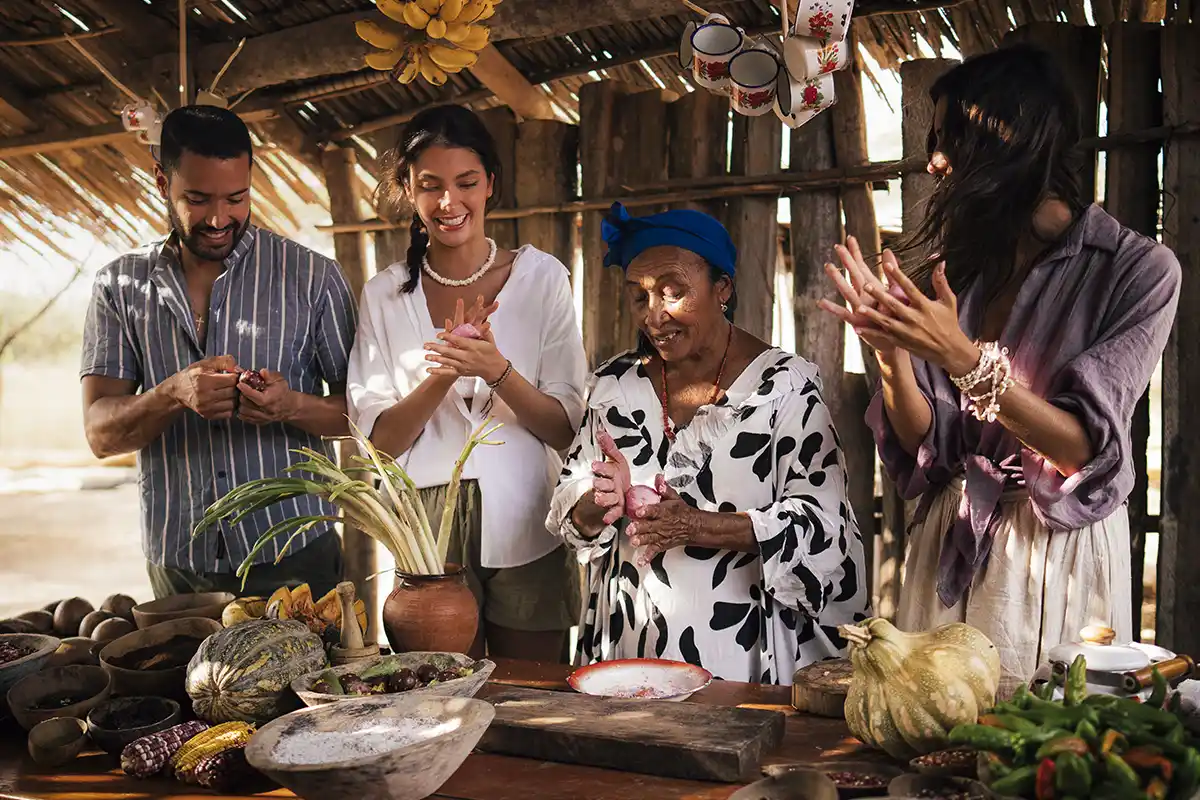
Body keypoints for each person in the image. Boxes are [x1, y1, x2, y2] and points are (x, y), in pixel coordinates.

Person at [819, 44, 1181, 696]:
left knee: (1039, 739)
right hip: (952, 537)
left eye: (949, 139)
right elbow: (927, 448)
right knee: (933, 733)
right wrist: (891, 355)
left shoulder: (1137, 270)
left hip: (1053, 550)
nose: (934, 162)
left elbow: (1080, 449)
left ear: (1010, 135)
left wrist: (962, 358)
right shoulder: (965, 272)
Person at [548, 202, 869, 684]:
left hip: (744, 658)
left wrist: (697, 525)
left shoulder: (782, 389)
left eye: (673, 292)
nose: (654, 315)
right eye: (639, 296)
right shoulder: (615, 385)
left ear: (723, 288)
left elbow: (825, 530)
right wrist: (599, 500)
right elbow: (571, 512)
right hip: (632, 651)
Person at [80, 105, 356, 600]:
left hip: (296, 551)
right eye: (198, 199)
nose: (218, 218)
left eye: (236, 198)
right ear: (162, 181)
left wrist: (290, 406)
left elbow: (364, 416)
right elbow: (100, 436)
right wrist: (171, 393)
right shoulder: (119, 286)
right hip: (180, 563)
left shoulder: (313, 277)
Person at [346, 104, 587, 662]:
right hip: (425, 529)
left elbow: (565, 428)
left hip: (531, 514)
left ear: (490, 184)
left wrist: (496, 370)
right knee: (441, 691)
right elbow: (378, 445)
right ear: (408, 190)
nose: (448, 201)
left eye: (466, 182)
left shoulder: (542, 279)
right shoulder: (384, 296)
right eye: (430, 185)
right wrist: (445, 373)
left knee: (533, 691)